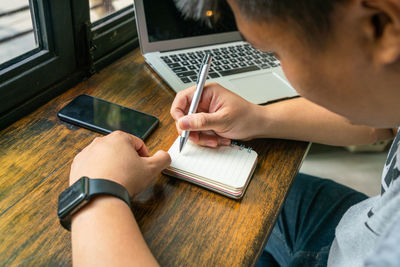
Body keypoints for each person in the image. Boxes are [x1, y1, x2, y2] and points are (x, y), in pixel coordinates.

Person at [67, 0, 400, 266]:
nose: (278, 67)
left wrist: (95, 194)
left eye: (275, 52)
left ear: (380, 26)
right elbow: (385, 122)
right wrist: (260, 118)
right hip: (360, 225)